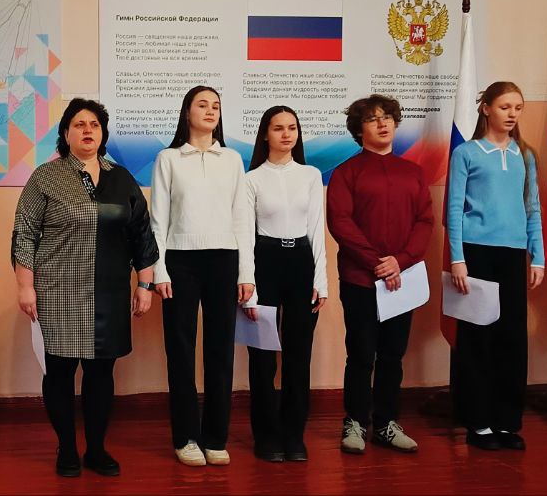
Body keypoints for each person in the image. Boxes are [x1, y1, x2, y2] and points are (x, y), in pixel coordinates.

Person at [12, 98, 158, 477]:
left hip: (109, 294)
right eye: (79, 124)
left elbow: (142, 234)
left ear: (103, 133)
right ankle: (66, 448)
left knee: (100, 376)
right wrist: (25, 286)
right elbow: (24, 233)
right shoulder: (46, 177)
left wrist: (145, 284)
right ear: (65, 133)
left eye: (94, 124)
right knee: (59, 373)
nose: (87, 130)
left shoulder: (121, 178)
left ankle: (96, 449)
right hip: (58, 293)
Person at [326, 94, 432, 454]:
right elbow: (341, 222)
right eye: (373, 119)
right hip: (360, 279)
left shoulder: (413, 173)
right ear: (359, 129)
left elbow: (425, 221)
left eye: (387, 117)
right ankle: (355, 422)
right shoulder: (346, 173)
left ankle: (386, 423)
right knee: (361, 353)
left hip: (403, 280)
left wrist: (400, 261)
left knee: (392, 354)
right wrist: (377, 263)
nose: (383, 123)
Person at [445, 81, 545, 451]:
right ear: (486, 108)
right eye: (505, 106)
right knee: (477, 340)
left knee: (512, 340)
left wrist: (538, 256)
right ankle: (478, 422)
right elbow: (454, 207)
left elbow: (532, 207)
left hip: (512, 255)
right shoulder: (467, 153)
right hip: (476, 254)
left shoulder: (525, 155)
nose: (512, 114)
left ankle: (506, 422)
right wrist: (458, 258)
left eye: (517, 107)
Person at [150, 85, 246, 466]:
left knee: (221, 352)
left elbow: (242, 219)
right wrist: (159, 269)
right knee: (181, 352)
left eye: (215, 106)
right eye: (202, 105)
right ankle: (186, 437)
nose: (210, 111)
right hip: (180, 264)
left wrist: (246, 272)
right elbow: (158, 220)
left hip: (224, 261)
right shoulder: (169, 158)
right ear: (186, 112)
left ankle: (215, 437)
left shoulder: (232, 159)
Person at [234, 105, 328, 462]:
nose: (286, 134)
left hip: (301, 262)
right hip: (265, 261)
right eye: (278, 128)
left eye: (292, 128)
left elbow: (317, 230)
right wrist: (248, 283)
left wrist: (321, 280)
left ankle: (293, 434)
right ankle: (266, 435)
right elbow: (245, 234)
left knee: (298, 355)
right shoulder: (251, 179)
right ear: (265, 134)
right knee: (262, 358)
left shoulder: (310, 175)